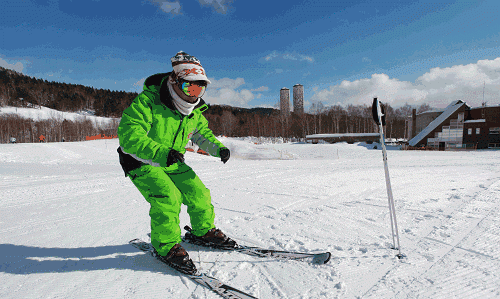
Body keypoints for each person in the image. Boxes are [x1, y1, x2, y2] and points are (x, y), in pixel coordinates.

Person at [117, 51, 235, 275]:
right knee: (168, 197)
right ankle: (167, 246)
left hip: (171, 159)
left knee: (198, 191)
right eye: (190, 88)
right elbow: (129, 135)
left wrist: (218, 149)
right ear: (175, 82)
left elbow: (202, 136)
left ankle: (203, 231)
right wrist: (161, 152)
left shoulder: (194, 113)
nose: (194, 95)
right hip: (140, 160)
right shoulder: (148, 101)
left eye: (200, 89)